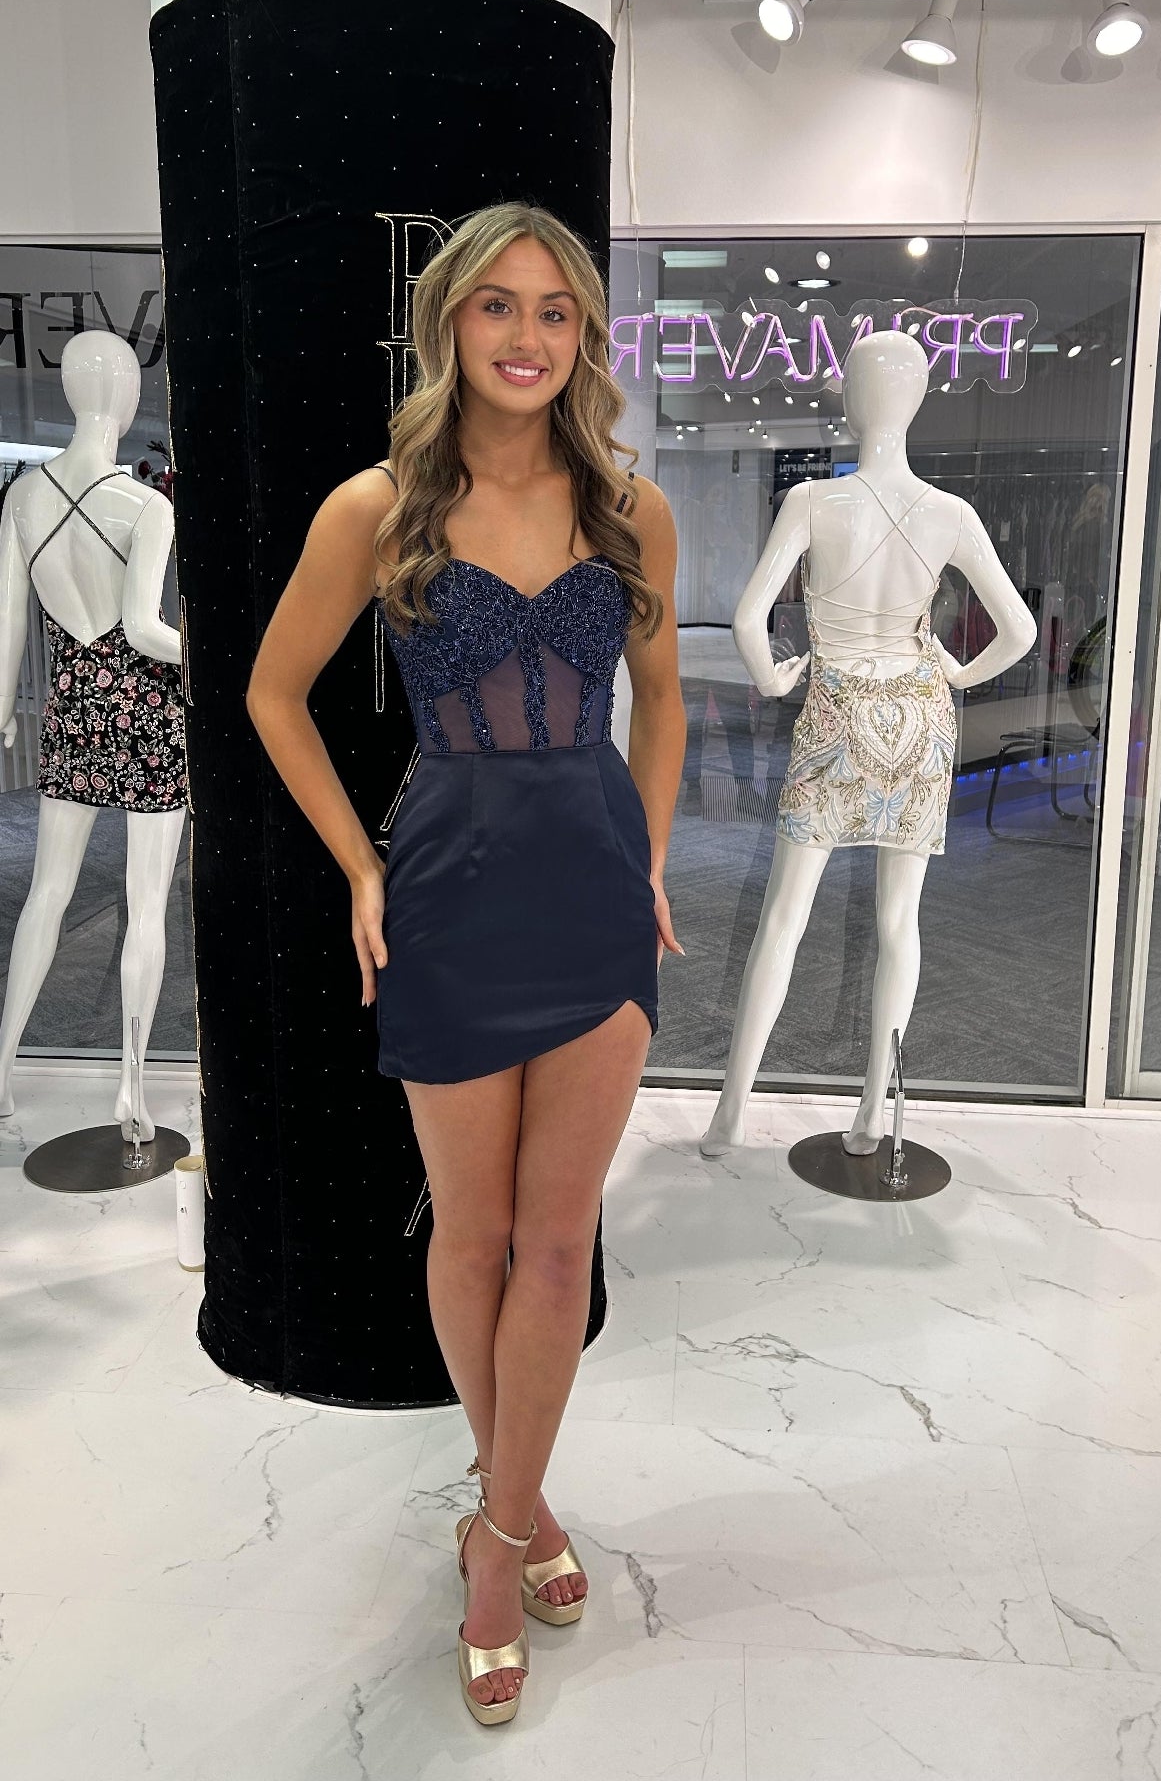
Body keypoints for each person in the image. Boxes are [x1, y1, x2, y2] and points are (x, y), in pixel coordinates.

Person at [245, 202, 686, 1726]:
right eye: (497, 307)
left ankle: (496, 1545)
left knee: (561, 1250)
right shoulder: (375, 505)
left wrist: (648, 858)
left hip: (589, 902)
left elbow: (666, 701)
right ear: (449, 324)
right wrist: (362, 867)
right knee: (475, 1237)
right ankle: (522, 1510)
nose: (525, 337)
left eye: (555, 312)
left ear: (583, 338)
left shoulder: (631, 506)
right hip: (445, 891)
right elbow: (272, 695)